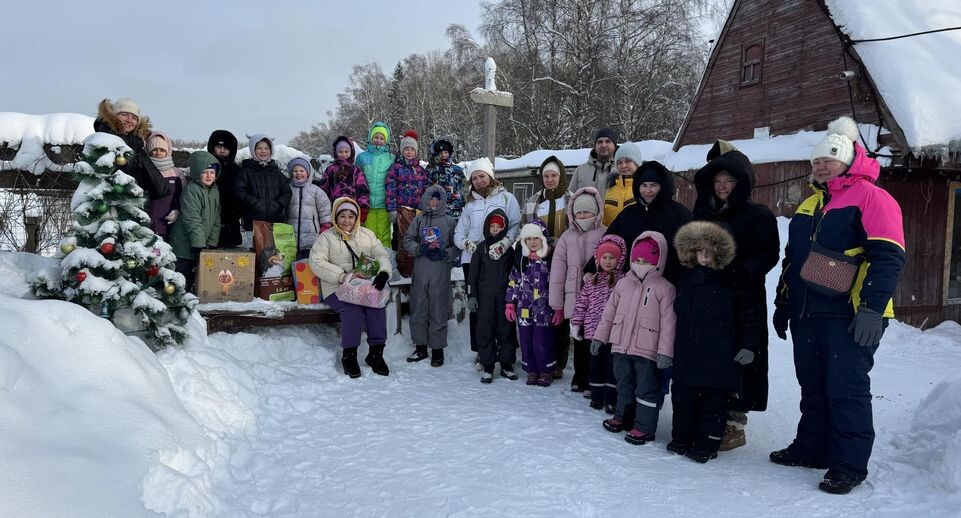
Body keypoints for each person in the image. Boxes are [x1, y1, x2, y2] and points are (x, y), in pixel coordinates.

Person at [769, 116, 905, 495]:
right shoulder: (811, 203)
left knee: (846, 389)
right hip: (808, 311)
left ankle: (848, 464)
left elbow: (888, 256)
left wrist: (872, 309)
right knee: (812, 385)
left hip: (851, 312)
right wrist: (784, 302)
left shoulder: (872, 198)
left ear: (849, 160)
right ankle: (812, 448)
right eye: (816, 160)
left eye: (830, 159)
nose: (821, 165)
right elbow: (792, 260)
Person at [691, 140, 779, 451]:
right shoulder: (702, 212)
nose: (722, 187)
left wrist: (740, 271)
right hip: (708, 298)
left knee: (742, 357)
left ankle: (734, 422)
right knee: (711, 355)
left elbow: (769, 253)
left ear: (740, 181)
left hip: (742, 297)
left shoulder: (757, 215)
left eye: (728, 181)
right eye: (717, 181)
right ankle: (708, 413)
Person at [669, 220, 757, 463]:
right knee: (683, 397)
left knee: (713, 402)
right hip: (688, 348)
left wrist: (749, 345)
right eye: (699, 251)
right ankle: (681, 438)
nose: (704, 256)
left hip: (720, 351)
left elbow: (748, 315)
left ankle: (706, 444)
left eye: (709, 251)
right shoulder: (685, 277)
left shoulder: (733, 279)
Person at [592, 232, 675, 445]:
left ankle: (644, 427)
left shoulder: (664, 288)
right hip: (621, 345)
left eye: (646, 261)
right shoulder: (623, 284)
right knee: (624, 383)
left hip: (647, 349)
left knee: (646, 388)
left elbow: (668, 323)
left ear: (657, 261)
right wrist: (600, 337)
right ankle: (623, 417)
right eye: (637, 261)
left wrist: (665, 351)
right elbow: (608, 314)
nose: (640, 265)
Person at [309, 197, 393, 378]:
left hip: (364, 286)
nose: (347, 220)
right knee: (352, 309)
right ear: (335, 217)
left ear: (357, 218)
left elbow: (381, 254)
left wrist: (384, 272)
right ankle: (349, 355)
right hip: (336, 288)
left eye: (351, 216)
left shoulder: (367, 235)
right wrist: (341, 276)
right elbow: (316, 262)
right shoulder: (326, 238)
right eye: (342, 216)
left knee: (376, 306)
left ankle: (376, 354)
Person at [455, 157, 522, 364]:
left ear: (490, 176)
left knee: (503, 305)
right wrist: (467, 245)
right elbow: (458, 233)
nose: (478, 181)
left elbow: (516, 225)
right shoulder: (470, 204)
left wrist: (505, 244)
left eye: (482, 176)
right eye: (474, 178)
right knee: (478, 307)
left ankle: (506, 348)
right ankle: (482, 351)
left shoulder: (506, 198)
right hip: (474, 261)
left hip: (500, 259)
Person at [589, 160, 692, 283]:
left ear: (663, 186)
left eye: (653, 185)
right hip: (632, 282)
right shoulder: (629, 214)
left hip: (668, 283)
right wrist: (591, 268)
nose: (648, 191)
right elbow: (609, 241)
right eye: (644, 185)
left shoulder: (679, 214)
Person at [549, 186, 606, 391]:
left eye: (587, 211)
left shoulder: (604, 233)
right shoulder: (566, 237)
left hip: (598, 297)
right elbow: (557, 272)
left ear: (596, 211)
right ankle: (579, 376)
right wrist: (556, 303)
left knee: (595, 337)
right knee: (578, 337)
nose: (582, 215)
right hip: (573, 296)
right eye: (579, 212)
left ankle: (593, 376)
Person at [522, 155, 572, 379]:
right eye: (546, 176)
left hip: (564, 259)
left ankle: (558, 361)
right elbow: (524, 232)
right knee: (540, 310)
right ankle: (538, 360)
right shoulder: (534, 201)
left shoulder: (570, 200)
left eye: (553, 175)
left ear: (560, 177)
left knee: (558, 311)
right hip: (538, 261)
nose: (550, 179)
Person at [403, 185, 459, 367]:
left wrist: (445, 253)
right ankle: (420, 346)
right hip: (420, 269)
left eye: (437, 199)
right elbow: (408, 240)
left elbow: (457, 246)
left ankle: (437, 349)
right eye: (431, 199)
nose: (434, 202)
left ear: (442, 201)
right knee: (418, 306)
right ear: (426, 200)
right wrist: (420, 248)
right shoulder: (419, 220)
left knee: (438, 307)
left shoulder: (450, 221)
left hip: (440, 271)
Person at [571, 234, 626, 411]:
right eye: (605, 257)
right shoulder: (591, 280)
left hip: (613, 333)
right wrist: (576, 323)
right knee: (595, 365)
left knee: (612, 367)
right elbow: (581, 304)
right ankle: (596, 395)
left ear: (619, 259)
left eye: (612, 258)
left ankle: (611, 399)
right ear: (598, 258)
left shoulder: (624, 281)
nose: (608, 261)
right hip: (592, 332)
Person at [468, 209, 519, 383]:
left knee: (505, 331)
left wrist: (513, 298)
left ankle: (506, 364)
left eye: (499, 226)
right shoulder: (481, 249)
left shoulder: (508, 251)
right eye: (492, 226)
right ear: (488, 227)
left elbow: (514, 274)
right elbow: (473, 274)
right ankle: (488, 365)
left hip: (504, 298)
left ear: (504, 228)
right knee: (485, 331)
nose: (495, 229)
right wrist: (472, 295)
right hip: (485, 299)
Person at [506, 221, 556, 386]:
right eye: (529, 239)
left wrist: (557, 307)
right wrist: (510, 303)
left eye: (536, 238)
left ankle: (545, 370)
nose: (533, 242)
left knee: (541, 341)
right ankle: (531, 370)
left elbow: (556, 284)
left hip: (544, 309)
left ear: (543, 239)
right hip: (524, 308)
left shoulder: (550, 260)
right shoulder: (522, 260)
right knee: (526, 340)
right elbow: (514, 281)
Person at [169, 151, 221, 293]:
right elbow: (192, 219)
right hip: (185, 245)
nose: (209, 175)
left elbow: (216, 218)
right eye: (205, 172)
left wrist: (211, 241)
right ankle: (177, 302)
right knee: (182, 277)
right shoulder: (192, 190)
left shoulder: (214, 191)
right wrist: (198, 243)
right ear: (197, 173)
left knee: (197, 277)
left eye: (212, 172)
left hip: (200, 243)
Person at [95, 97, 164, 197]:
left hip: (134, 201)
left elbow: (155, 183)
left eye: (134, 118)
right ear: (113, 115)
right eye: (124, 115)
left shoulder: (137, 144)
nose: (129, 120)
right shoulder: (102, 138)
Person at [386, 130, 428, 277]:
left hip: (418, 212)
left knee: (417, 238)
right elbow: (390, 189)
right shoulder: (396, 168)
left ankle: (417, 267)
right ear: (401, 151)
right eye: (406, 149)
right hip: (402, 211)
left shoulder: (421, 170)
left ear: (416, 151)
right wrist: (391, 209)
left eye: (412, 149)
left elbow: (426, 190)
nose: (409, 152)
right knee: (402, 239)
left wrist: (427, 208)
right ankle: (403, 270)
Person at [234, 134, 292, 231]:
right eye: (259, 148)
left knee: (274, 246)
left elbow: (287, 192)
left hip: (276, 223)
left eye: (266, 148)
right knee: (256, 246)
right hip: (253, 222)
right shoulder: (246, 172)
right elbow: (239, 192)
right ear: (253, 150)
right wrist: (255, 203)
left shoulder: (277, 173)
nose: (263, 151)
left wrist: (278, 204)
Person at [142, 131, 186, 241]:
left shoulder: (177, 174)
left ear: (167, 151)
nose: (158, 153)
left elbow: (184, 198)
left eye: (162, 150)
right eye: (154, 150)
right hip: (148, 226)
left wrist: (177, 210)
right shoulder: (143, 171)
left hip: (171, 225)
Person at [356, 122, 393, 248]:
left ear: (386, 141)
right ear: (370, 138)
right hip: (368, 205)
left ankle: (387, 262)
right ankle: (368, 265)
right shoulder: (362, 157)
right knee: (368, 235)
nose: (378, 140)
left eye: (382, 138)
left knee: (384, 234)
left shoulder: (390, 158)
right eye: (376, 137)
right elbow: (357, 180)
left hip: (383, 204)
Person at [287, 157, 332, 260]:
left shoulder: (316, 191)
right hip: (290, 236)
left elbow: (325, 211)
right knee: (292, 266)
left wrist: (324, 228)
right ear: (291, 173)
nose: (298, 173)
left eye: (302, 170)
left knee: (307, 267)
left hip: (311, 238)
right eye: (295, 171)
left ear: (308, 172)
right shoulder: (287, 189)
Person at [318, 136, 370, 222]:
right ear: (336, 152)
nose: (344, 154)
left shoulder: (355, 170)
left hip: (352, 208)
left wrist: (364, 207)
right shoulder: (331, 169)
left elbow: (362, 189)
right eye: (341, 152)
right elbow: (324, 190)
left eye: (346, 151)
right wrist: (324, 208)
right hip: (334, 208)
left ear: (351, 152)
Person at [207, 130, 244, 247]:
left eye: (226, 148)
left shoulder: (237, 170)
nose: (222, 151)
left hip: (231, 222)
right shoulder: (206, 168)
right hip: (210, 221)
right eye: (218, 147)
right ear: (212, 148)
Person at [569, 128, 618, 197]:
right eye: (600, 142)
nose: (603, 145)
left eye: (608, 141)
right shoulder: (580, 171)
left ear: (614, 145)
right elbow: (570, 198)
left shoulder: (622, 169)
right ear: (595, 146)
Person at [427, 139, 466, 219]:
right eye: (440, 153)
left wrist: (464, 201)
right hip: (438, 208)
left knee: (455, 230)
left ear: (449, 153)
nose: (443, 155)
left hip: (456, 207)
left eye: (446, 152)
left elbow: (464, 187)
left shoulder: (457, 169)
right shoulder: (432, 169)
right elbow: (427, 187)